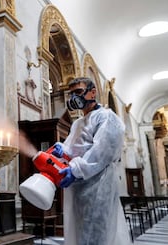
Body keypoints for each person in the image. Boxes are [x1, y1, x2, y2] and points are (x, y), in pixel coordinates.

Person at [51, 77, 132, 245]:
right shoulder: (78, 123)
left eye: (79, 92)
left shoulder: (107, 117)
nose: (74, 97)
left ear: (93, 92)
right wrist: (64, 150)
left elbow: (102, 151)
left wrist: (76, 169)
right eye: (71, 93)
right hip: (79, 188)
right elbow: (76, 148)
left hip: (99, 185)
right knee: (80, 231)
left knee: (97, 233)